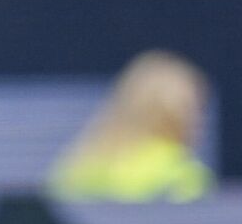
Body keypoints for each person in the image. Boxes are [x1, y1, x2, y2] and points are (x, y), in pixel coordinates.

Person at [49, 49, 214, 201]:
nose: (200, 120)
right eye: (195, 109)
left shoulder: (79, 166)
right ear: (175, 114)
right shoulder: (185, 175)